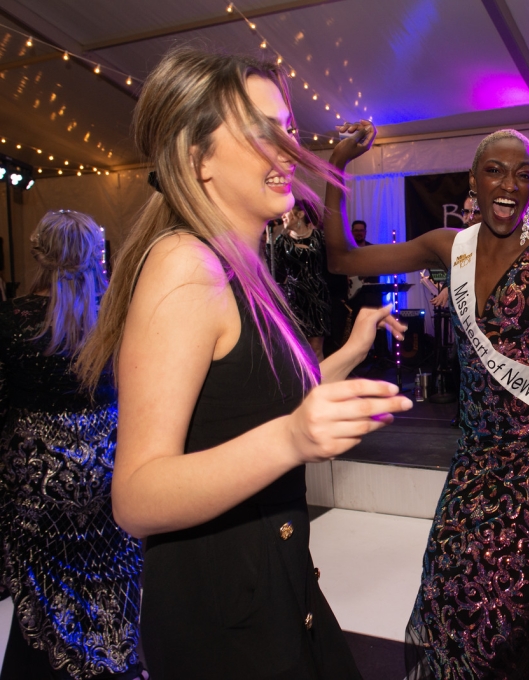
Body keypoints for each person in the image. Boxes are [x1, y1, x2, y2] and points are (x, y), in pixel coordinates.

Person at [75, 47, 412, 680]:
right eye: (261, 131)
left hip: (273, 591)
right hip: (223, 621)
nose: (289, 147)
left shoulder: (242, 264)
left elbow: (251, 404)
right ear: (196, 158)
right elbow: (136, 495)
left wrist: (349, 354)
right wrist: (291, 439)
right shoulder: (185, 265)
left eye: (286, 126)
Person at [326, 127, 529, 678]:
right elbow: (339, 259)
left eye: (523, 174)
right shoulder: (448, 246)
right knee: (452, 589)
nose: (510, 184)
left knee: (522, 603)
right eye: (496, 170)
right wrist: (336, 166)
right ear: (473, 182)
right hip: (475, 457)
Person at [0, 210, 145, 680]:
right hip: (109, 473)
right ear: (95, 255)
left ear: (37, 250)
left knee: (41, 603)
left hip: (35, 486)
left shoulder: (10, 320)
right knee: (113, 588)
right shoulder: (117, 317)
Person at [269, 201, 333, 360]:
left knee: (316, 345)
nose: (283, 215)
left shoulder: (320, 237)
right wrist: (272, 239)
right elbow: (274, 271)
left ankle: (319, 382)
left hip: (317, 295)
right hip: (294, 297)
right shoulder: (281, 242)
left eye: (287, 212)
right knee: (299, 345)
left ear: (300, 214)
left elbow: (333, 264)